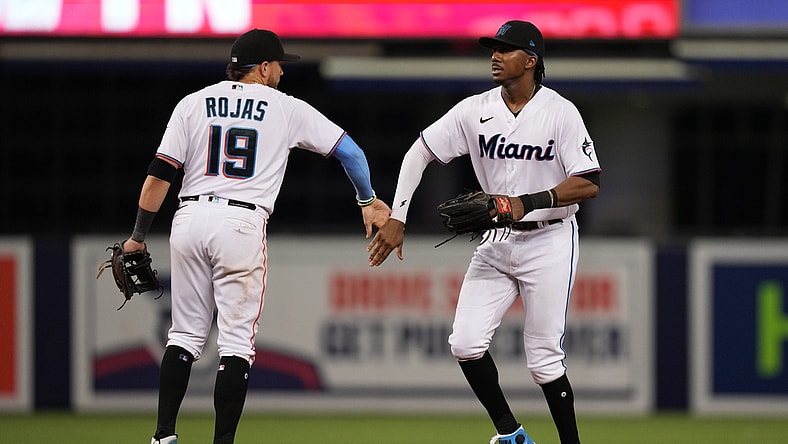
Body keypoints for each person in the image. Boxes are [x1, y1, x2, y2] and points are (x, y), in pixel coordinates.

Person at [121, 29, 391, 444]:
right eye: (280, 64)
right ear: (263, 68)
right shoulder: (284, 107)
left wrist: (138, 237)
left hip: (189, 217)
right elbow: (350, 152)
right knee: (235, 344)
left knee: (184, 335)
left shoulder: (192, 103)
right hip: (241, 223)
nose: (283, 71)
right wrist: (367, 199)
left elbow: (160, 174)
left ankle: (163, 436)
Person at [368, 20, 601, 444]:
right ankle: (511, 434)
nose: (495, 55)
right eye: (493, 48)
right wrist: (398, 216)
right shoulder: (473, 110)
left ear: (530, 61)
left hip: (550, 238)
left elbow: (588, 182)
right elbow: (418, 153)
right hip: (497, 239)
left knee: (544, 360)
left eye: (506, 49)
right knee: (465, 343)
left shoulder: (559, 111)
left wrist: (524, 203)